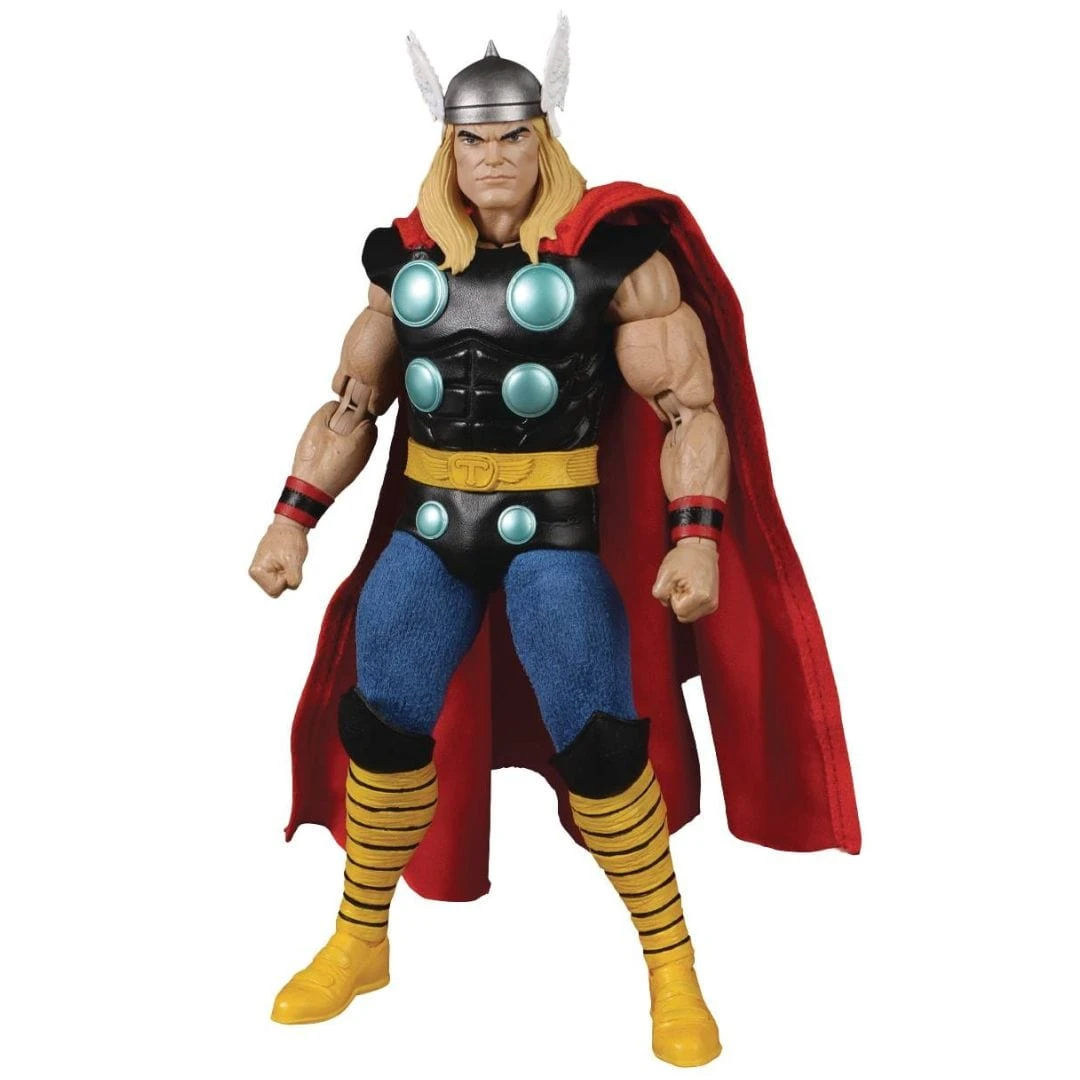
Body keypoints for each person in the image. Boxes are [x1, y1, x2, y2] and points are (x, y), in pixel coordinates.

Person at [250, 20, 859, 1069]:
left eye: (513, 137)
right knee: (380, 723)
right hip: (431, 532)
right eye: (473, 140)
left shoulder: (616, 261)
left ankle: (671, 964)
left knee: (603, 742)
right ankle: (361, 939)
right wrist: (290, 517)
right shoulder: (403, 263)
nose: (493, 158)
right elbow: (352, 404)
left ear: (545, 139)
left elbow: (688, 410)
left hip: (554, 538)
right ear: (448, 145)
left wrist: (697, 540)